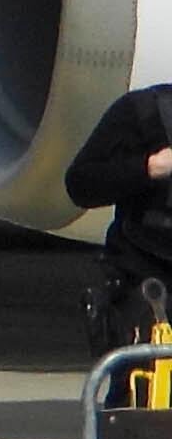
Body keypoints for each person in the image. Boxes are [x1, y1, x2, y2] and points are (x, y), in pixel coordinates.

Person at [64, 88, 172, 352]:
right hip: (147, 271)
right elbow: (81, 184)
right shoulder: (145, 111)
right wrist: (148, 167)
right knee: (140, 376)